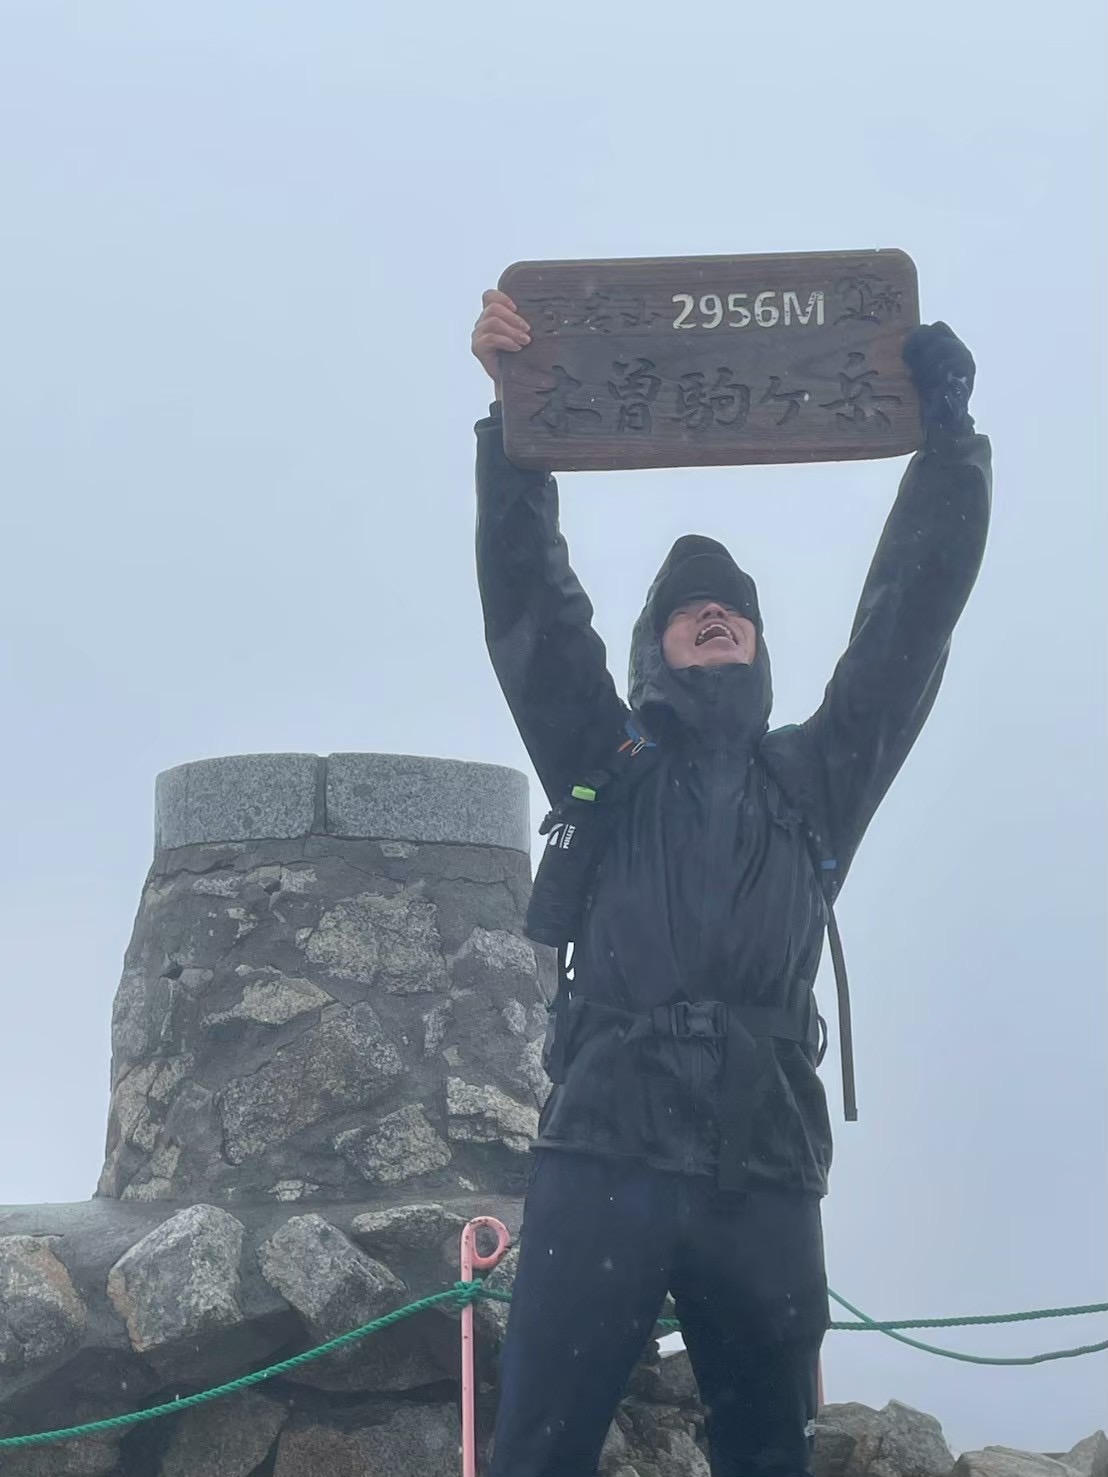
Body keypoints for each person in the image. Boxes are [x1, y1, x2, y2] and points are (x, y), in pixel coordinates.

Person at [471, 287, 991, 1477]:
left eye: (736, 610)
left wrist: (950, 446)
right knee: (535, 1455)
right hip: (602, 1151)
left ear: (758, 646)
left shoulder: (815, 778)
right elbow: (531, 609)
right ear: (656, 645)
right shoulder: (605, 761)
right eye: (689, 610)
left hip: (760, 1171)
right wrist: (512, 426)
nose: (716, 614)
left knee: (767, 1458)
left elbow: (905, 626)